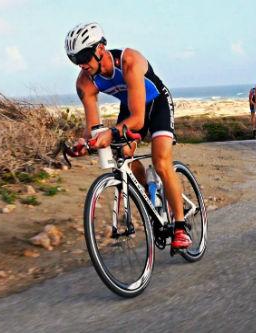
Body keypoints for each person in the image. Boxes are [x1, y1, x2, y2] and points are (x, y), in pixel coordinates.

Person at [64, 22, 191, 249]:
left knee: (161, 161)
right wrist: (86, 142)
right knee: (121, 155)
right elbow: (93, 127)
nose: (81, 64)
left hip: (156, 104)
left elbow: (139, 120)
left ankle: (181, 227)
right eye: (74, 59)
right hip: (130, 107)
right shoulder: (85, 82)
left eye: (84, 55)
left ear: (100, 49)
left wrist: (110, 133)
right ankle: (151, 194)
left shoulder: (129, 60)